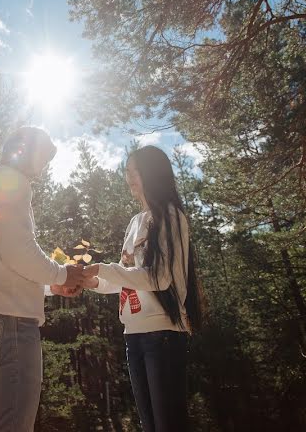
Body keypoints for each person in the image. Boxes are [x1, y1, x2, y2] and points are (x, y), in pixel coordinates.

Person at [0, 126, 89, 432]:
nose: (42, 168)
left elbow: (1, 259)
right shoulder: (10, 181)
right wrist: (62, 273)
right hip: (10, 327)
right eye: (42, 158)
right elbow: (19, 250)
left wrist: (49, 286)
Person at [82, 145, 205, 432]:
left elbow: (159, 279)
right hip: (133, 336)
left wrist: (102, 269)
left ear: (153, 173)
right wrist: (95, 282)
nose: (129, 178)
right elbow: (128, 277)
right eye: (126, 171)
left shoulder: (171, 217)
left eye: (134, 171)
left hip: (162, 336)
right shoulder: (136, 221)